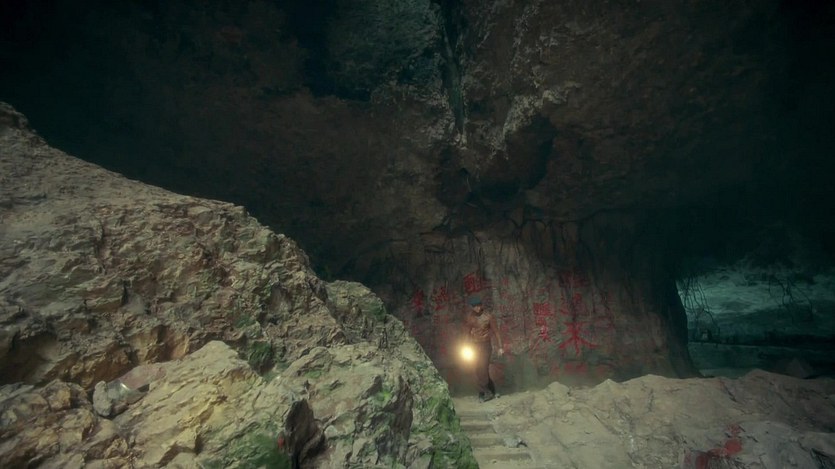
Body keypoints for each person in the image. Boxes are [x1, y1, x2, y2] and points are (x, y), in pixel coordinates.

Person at [463, 296, 503, 402]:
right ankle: (491, 391)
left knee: (483, 368)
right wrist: (465, 345)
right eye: (474, 306)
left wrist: (500, 347)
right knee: (477, 369)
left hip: (485, 345)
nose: (476, 308)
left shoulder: (488, 316)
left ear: (481, 305)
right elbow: (467, 333)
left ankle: (486, 392)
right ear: (471, 307)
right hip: (475, 346)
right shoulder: (470, 317)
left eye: (478, 306)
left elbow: (496, 332)